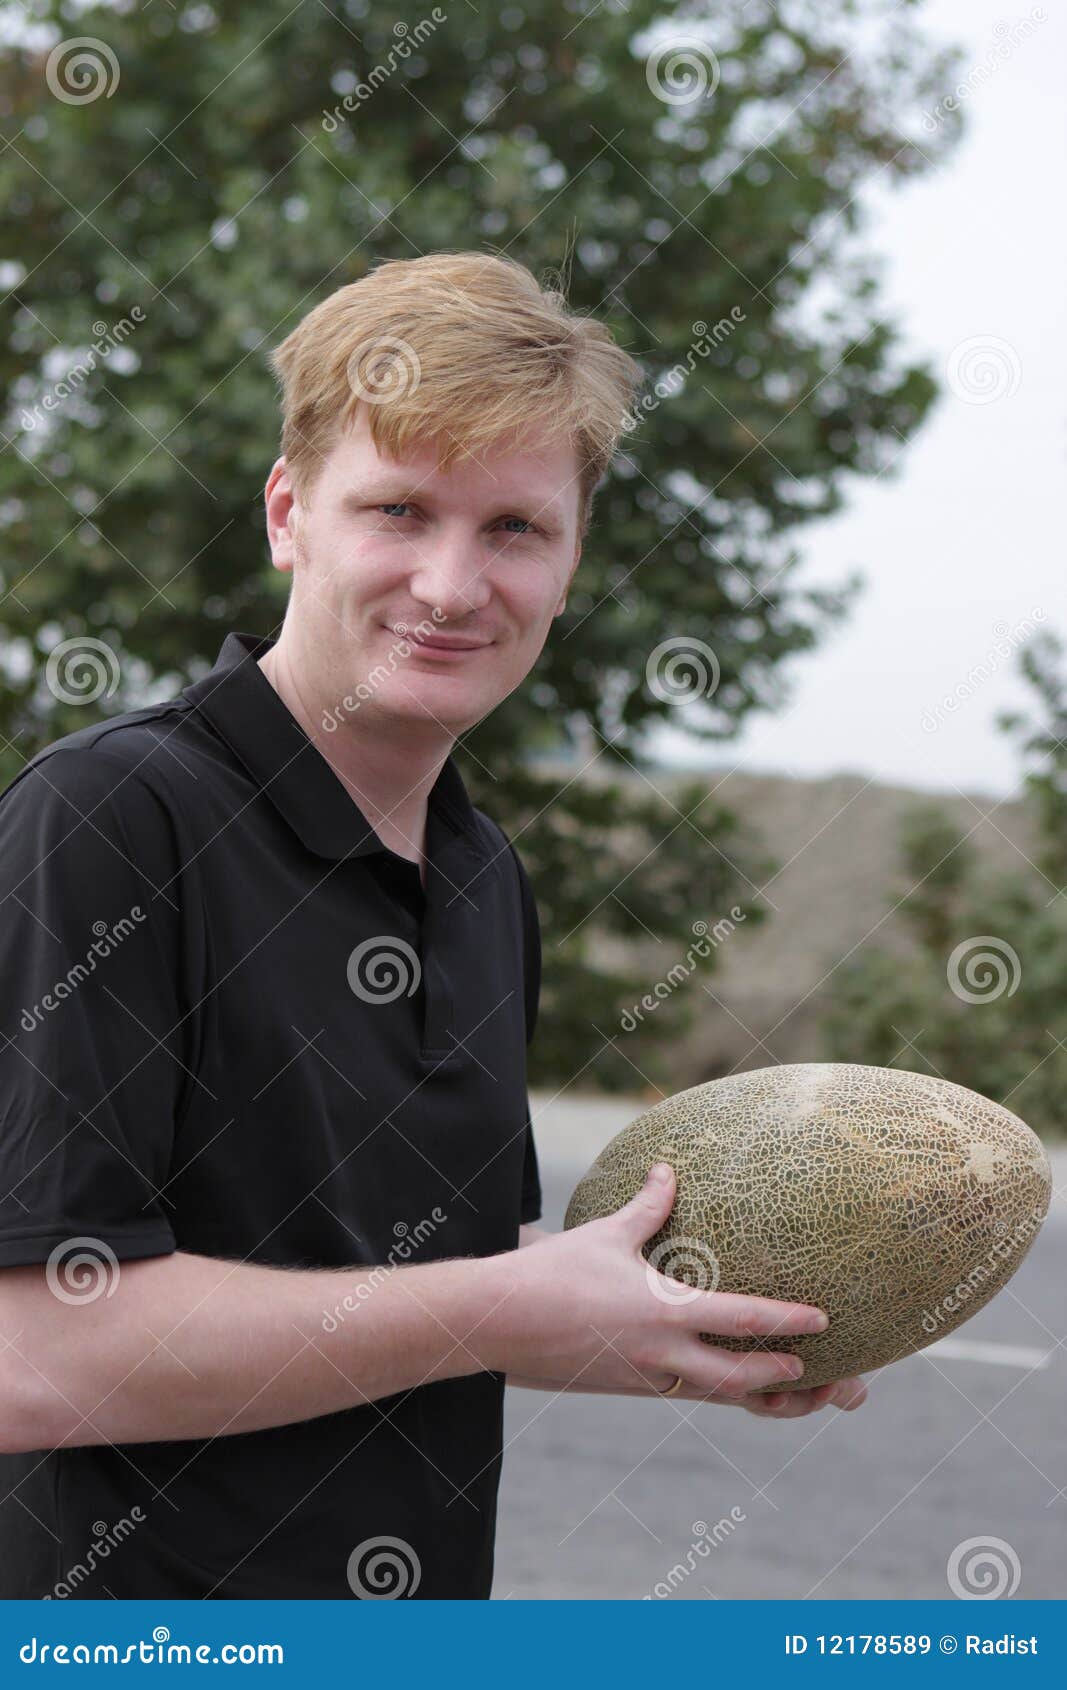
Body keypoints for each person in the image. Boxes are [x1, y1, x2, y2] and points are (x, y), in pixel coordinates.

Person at [0, 252, 865, 1602]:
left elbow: (427, 1274)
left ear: (570, 564)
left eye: (514, 528)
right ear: (289, 514)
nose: (453, 587)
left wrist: (689, 1318)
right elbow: (37, 1353)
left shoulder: (481, 874)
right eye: (398, 510)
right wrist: (504, 1307)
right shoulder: (112, 816)